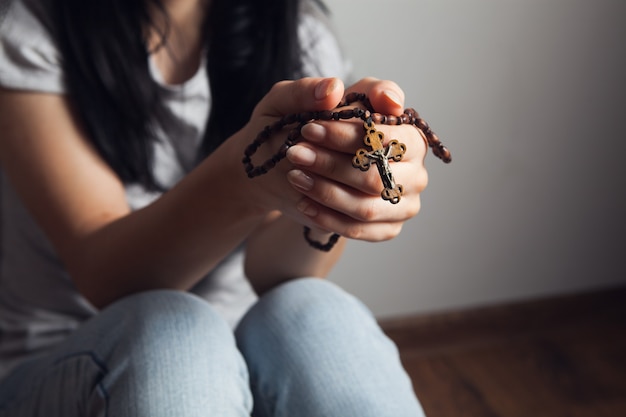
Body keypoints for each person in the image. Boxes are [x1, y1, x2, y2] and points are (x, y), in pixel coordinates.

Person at [0, 0, 430, 415]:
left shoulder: (298, 32)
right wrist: (244, 178)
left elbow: (277, 274)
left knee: (317, 311)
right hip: (59, 366)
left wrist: (331, 196)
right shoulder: (31, 27)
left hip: (236, 363)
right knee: (176, 332)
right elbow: (109, 280)